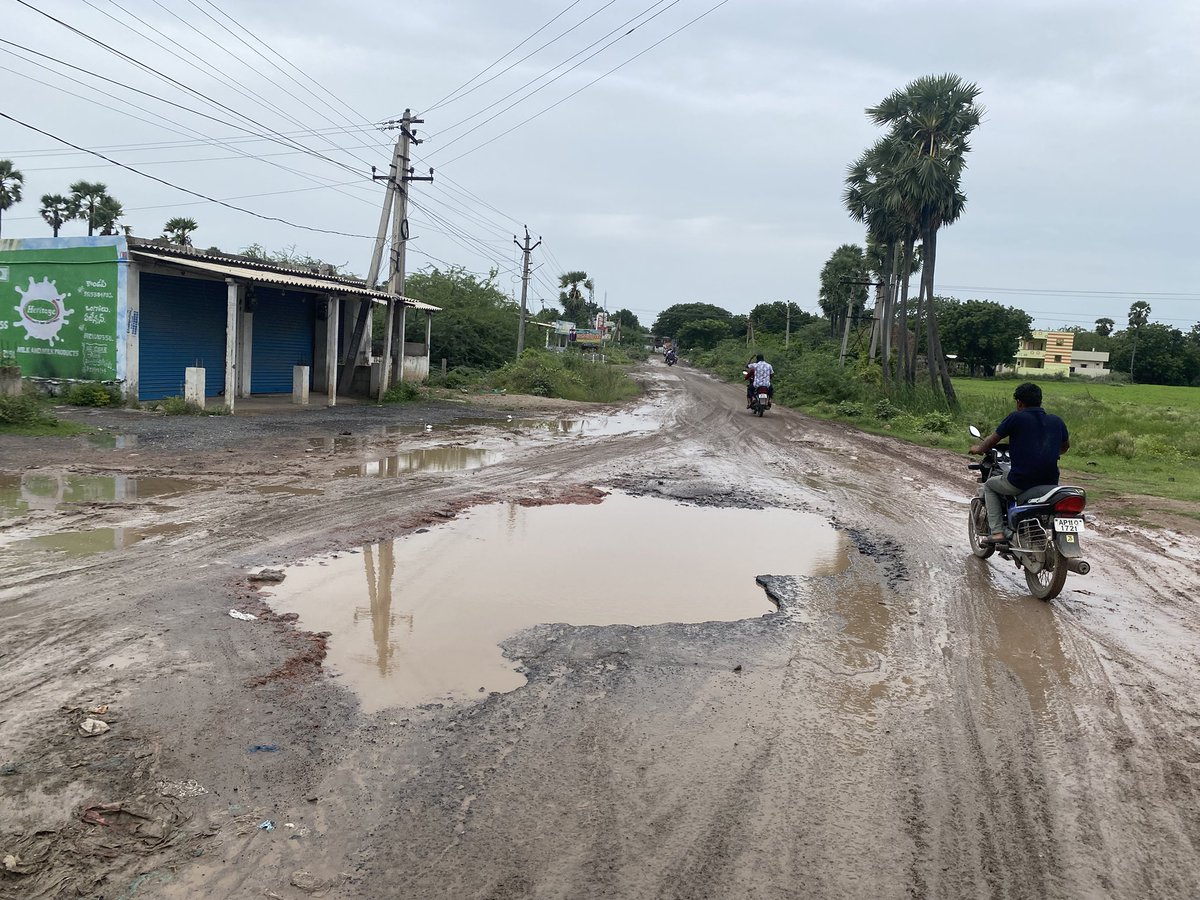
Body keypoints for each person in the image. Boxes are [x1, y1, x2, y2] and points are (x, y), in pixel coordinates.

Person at [970, 382, 1070, 544]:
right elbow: (1064, 448)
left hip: (1021, 481)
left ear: (1019, 403)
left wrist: (978, 448)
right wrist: (1046, 452)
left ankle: (997, 532)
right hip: (1050, 482)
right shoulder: (1056, 421)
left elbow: (992, 441)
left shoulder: (1016, 417)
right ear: (1040, 401)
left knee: (990, 485)